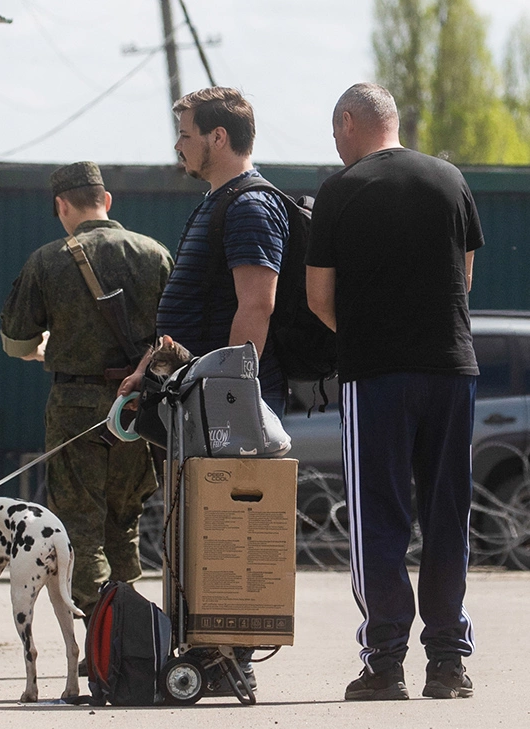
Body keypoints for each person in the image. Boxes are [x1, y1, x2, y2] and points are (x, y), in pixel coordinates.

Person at [307, 83, 482, 702]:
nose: (336, 147)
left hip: (376, 374)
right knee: (446, 514)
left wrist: (367, 334)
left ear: (349, 123)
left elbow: (319, 298)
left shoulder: (339, 191)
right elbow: (462, 279)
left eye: (335, 135)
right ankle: (448, 664)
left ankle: (384, 662)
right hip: (450, 368)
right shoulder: (449, 180)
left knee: (377, 516)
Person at [0, 161, 171, 624]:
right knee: (124, 522)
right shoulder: (153, 254)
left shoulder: (49, 259)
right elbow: (173, 338)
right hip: (135, 409)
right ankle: (131, 629)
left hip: (75, 409)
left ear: (61, 205)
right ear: (107, 201)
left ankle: (102, 636)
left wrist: (46, 349)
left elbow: (17, 341)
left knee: (79, 526)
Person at [122, 87, 290, 415]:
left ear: (217, 137)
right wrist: (145, 371)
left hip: (229, 410)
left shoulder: (249, 206)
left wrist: (229, 395)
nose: (177, 146)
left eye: (185, 135)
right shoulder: (217, 203)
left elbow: (256, 307)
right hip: (197, 402)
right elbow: (187, 305)